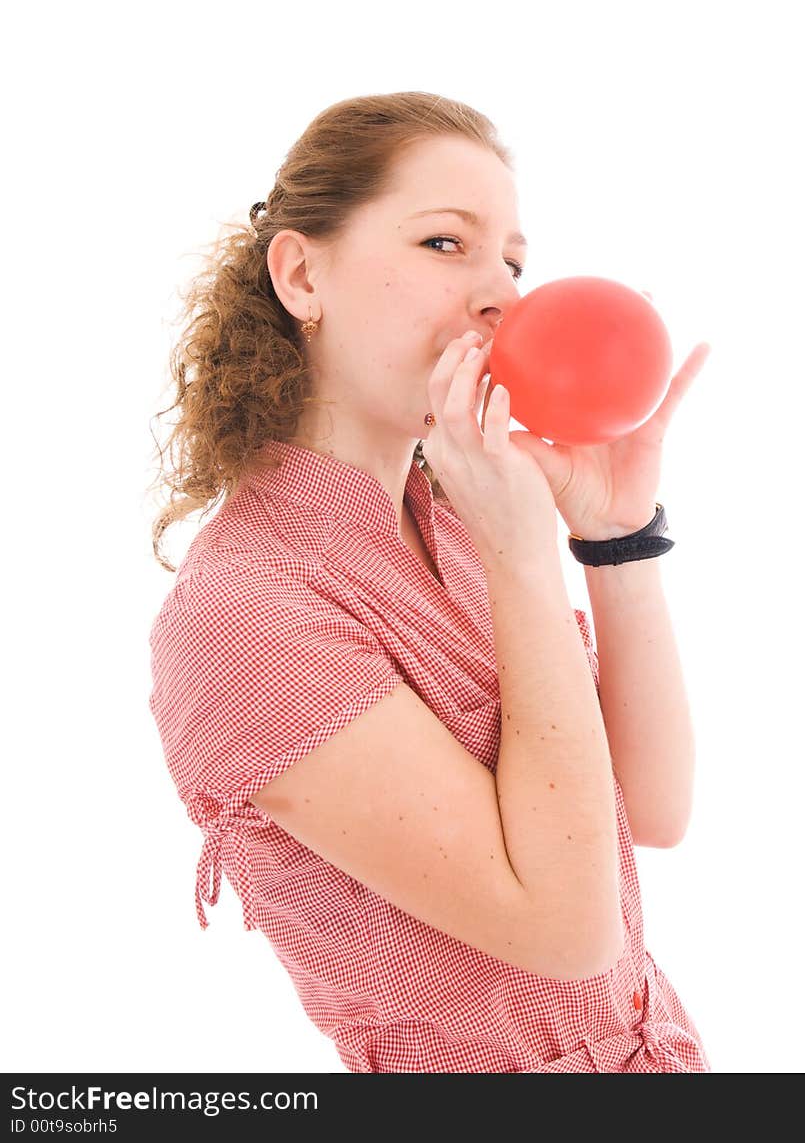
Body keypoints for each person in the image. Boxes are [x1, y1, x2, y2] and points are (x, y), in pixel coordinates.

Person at [147, 90, 712, 1073]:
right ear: (301, 272)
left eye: (514, 261)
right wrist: (526, 552)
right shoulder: (243, 613)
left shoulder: (453, 526)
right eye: (446, 243)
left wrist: (612, 539)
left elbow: (654, 807)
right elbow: (567, 927)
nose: (503, 293)